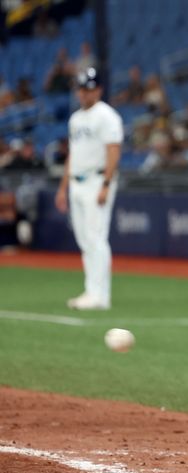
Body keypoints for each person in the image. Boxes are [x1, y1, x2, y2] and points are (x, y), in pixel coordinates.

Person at [54, 68, 123, 310]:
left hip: (97, 180)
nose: (84, 93)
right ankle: (91, 290)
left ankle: (100, 296)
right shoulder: (76, 119)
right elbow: (73, 155)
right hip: (76, 182)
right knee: (84, 239)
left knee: (96, 236)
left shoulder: (107, 116)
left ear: (99, 90)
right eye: (81, 89)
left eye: (89, 89)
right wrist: (63, 188)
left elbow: (113, 150)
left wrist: (106, 183)